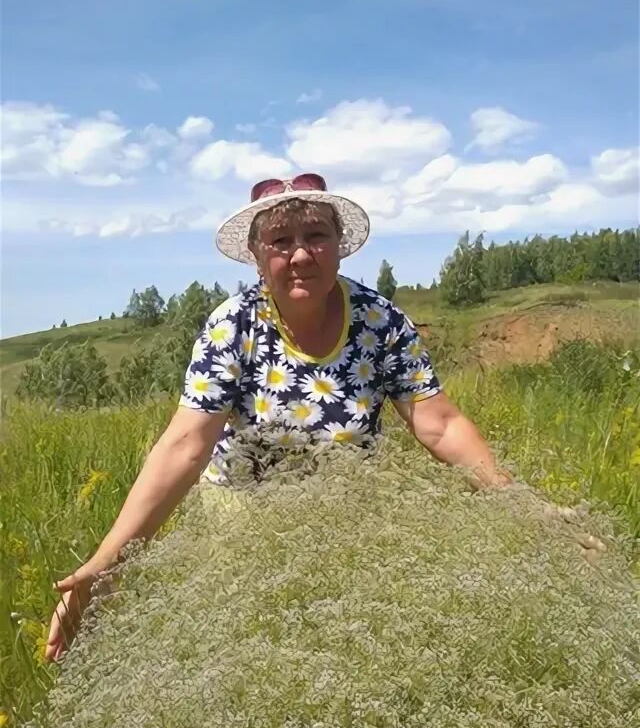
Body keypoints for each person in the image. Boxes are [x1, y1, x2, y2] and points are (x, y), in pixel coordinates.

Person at [45, 172, 513, 663]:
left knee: (349, 651)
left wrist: (518, 504)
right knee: (259, 650)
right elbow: (186, 444)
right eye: (281, 241)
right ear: (256, 254)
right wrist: (107, 564)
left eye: (316, 236)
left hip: (350, 515)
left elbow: (439, 422)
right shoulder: (234, 325)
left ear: (339, 245)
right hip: (248, 520)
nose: (301, 255)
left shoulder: (381, 321)